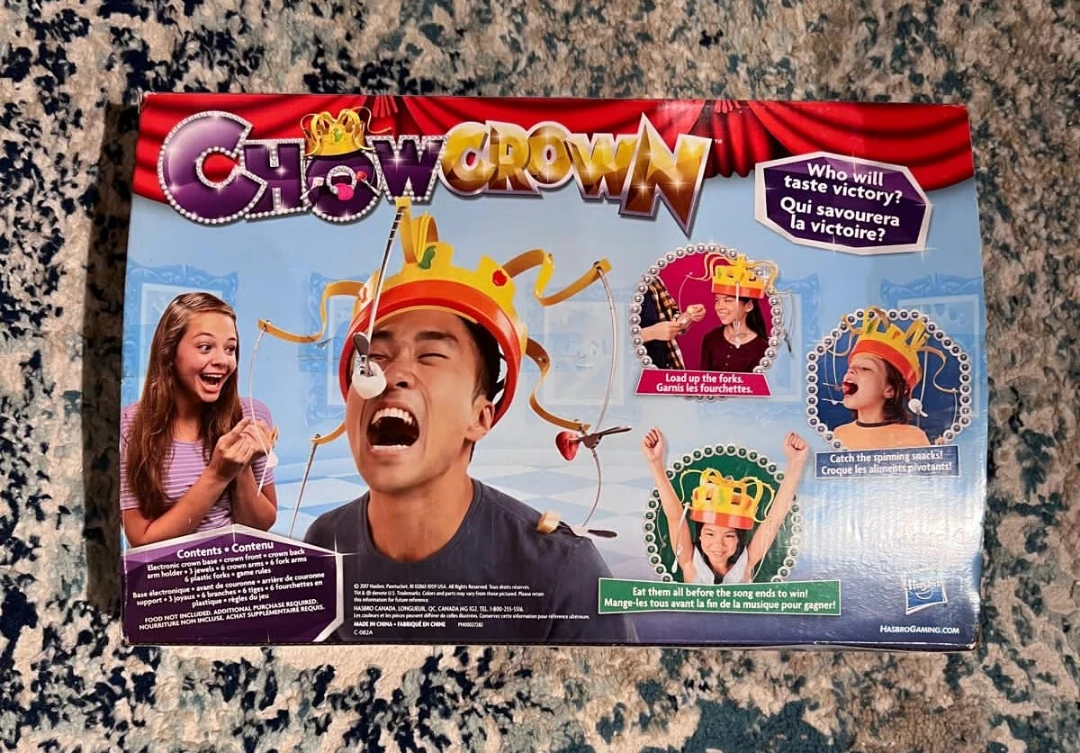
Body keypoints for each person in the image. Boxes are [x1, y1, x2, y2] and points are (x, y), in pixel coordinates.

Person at [305, 306, 636, 643]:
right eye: (373, 357)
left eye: (430, 355)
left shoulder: (565, 571)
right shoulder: (324, 542)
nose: (388, 376)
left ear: (479, 419)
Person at [121, 292, 278, 547]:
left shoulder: (253, 415)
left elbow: (260, 525)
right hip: (169, 570)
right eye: (205, 347)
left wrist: (242, 467)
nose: (222, 361)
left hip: (235, 566)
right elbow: (142, 540)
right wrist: (218, 474)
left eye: (230, 349)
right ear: (169, 352)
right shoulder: (129, 425)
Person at [642, 427, 809, 584]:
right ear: (699, 536)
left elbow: (774, 520)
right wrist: (655, 462)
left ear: (738, 540)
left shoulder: (746, 565)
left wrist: (796, 462)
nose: (718, 544)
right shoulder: (689, 562)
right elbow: (675, 517)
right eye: (710, 534)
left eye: (729, 536)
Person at [831, 310, 930, 449]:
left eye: (865, 368)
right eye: (850, 368)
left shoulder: (913, 437)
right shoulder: (839, 434)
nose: (851, 371)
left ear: (889, 390)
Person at [638, 277, 705, 369]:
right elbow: (617, 339)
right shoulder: (618, 285)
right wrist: (651, 333)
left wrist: (688, 316)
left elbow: (673, 319)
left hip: (662, 366)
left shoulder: (653, 280)